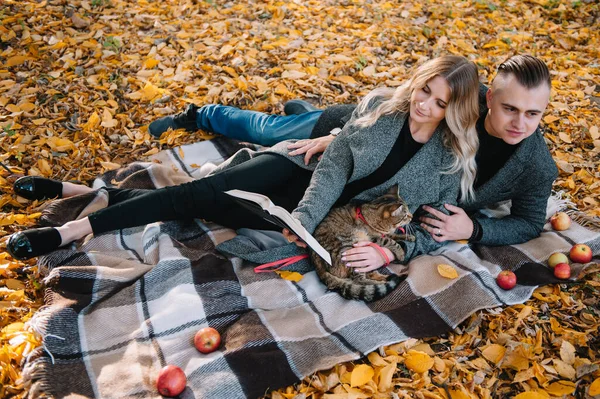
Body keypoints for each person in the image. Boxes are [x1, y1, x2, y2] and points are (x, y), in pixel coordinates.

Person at [8, 56, 481, 273]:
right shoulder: (382, 109)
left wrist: (390, 252)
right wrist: (305, 217)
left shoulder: (445, 162)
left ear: (453, 112)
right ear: (415, 84)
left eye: (440, 103)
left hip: (326, 215)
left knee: (206, 210)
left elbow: (423, 227)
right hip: (299, 177)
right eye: (424, 91)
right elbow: (333, 168)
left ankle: (80, 191)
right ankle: (73, 231)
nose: (425, 106)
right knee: (197, 194)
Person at [145, 54, 556, 247]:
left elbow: (528, 222)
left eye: (534, 114)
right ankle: (201, 113)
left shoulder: (535, 165)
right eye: (509, 108)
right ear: (489, 98)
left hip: (372, 180)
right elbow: (407, 107)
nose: (520, 123)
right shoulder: (462, 101)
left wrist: (477, 229)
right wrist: (341, 134)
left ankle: (301, 110)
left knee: (285, 133)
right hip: (350, 131)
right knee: (271, 131)